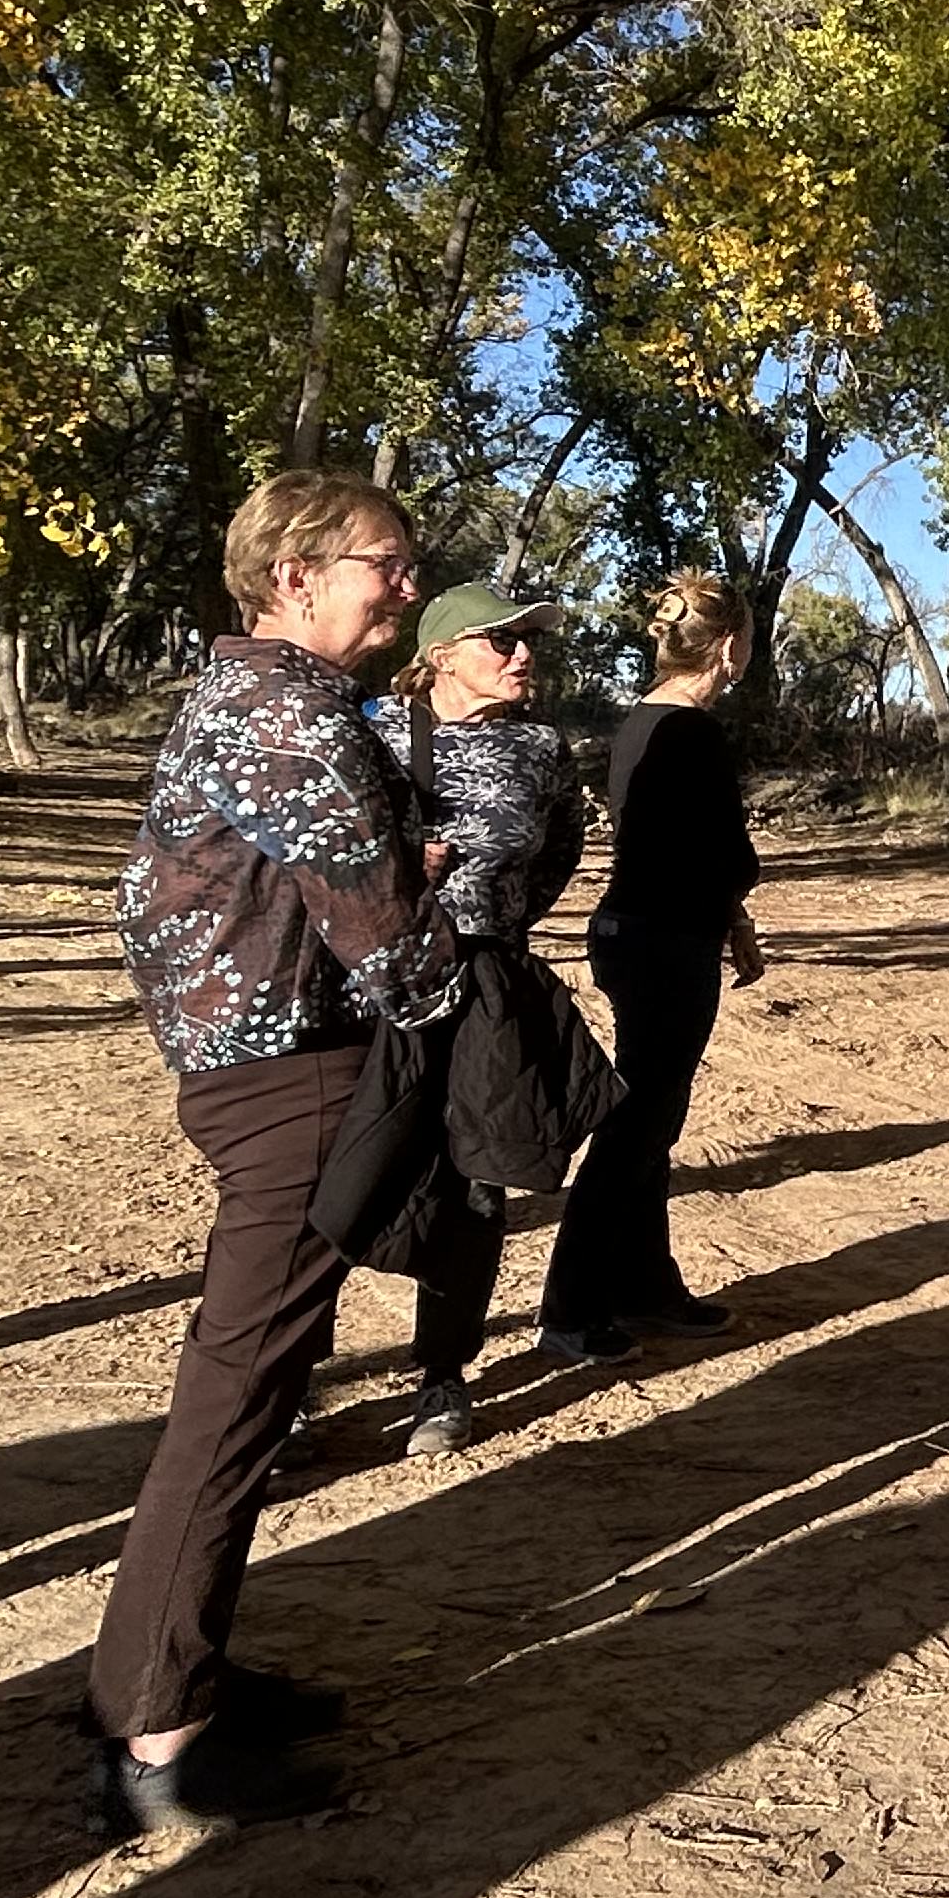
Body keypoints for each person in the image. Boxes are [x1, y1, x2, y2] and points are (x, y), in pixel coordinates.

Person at [102, 468, 465, 1832]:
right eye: (388, 563)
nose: (409, 588)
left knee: (250, 1385)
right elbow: (390, 943)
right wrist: (441, 952)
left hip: (260, 1072)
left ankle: (168, 1678)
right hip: (292, 1085)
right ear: (295, 575)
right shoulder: (294, 716)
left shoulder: (249, 697)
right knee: (238, 1399)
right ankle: (157, 1736)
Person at [368, 582, 586, 1457]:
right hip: (372, 988)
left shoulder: (541, 747)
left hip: (483, 980)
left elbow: (559, 851)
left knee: (475, 1177)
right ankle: (294, 1380)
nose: (523, 654)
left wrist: (495, 925)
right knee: (343, 1173)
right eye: (502, 640)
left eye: (529, 640)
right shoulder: (373, 731)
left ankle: (443, 1374)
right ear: (442, 656)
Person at [541, 570, 763, 1359]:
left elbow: (678, 848)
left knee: (651, 1120)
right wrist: (737, 894)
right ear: (728, 647)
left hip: (642, 933)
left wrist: (733, 920)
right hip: (665, 944)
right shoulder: (693, 733)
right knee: (637, 1125)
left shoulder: (644, 721)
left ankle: (644, 1286)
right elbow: (722, 852)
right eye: (749, 640)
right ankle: (570, 1307)